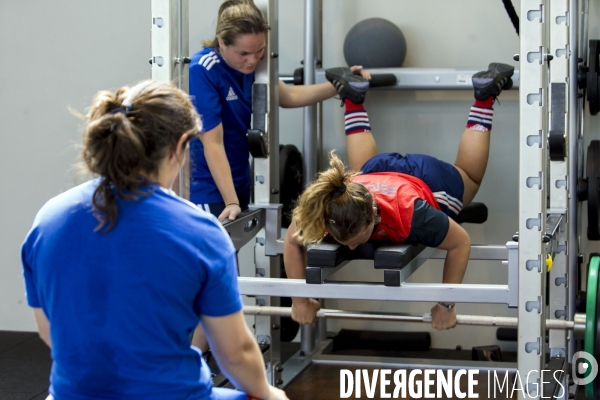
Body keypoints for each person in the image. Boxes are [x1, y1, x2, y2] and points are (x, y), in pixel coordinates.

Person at [21, 80, 289, 400]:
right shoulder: (202, 232)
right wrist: (269, 393)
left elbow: (49, 330)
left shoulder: (48, 219)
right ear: (179, 147)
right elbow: (235, 355)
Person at [283, 63, 515, 330]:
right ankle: (352, 98)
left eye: (358, 240)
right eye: (343, 242)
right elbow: (292, 242)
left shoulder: (413, 215)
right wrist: (299, 300)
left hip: (427, 179)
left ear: (374, 214)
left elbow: (460, 242)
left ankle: (484, 98)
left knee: (469, 177)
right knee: (359, 170)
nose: (350, 249)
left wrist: (446, 305)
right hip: (376, 172)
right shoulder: (330, 207)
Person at [189, 0, 369, 222]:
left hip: (239, 180)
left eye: (259, 51)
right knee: (212, 255)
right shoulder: (203, 68)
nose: (252, 60)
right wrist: (231, 201)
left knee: (230, 253)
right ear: (221, 42)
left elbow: (288, 96)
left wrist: (343, 82)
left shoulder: (254, 65)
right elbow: (213, 143)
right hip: (208, 186)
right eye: (243, 53)